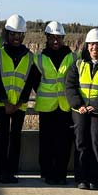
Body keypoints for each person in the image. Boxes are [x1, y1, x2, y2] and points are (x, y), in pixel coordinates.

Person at [64, 28, 98, 190]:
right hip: (80, 111)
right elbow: (70, 85)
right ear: (87, 46)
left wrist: (94, 105)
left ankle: (96, 178)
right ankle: (81, 178)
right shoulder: (78, 64)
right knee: (81, 142)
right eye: (91, 45)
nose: (94, 48)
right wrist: (79, 105)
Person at [0, 14, 36, 183]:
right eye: (13, 34)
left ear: (23, 35)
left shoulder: (30, 57)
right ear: (7, 34)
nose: (16, 38)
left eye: (19, 34)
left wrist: (20, 102)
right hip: (2, 104)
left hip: (20, 105)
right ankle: (2, 170)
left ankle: (12, 171)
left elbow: (30, 81)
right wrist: (5, 101)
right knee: (3, 136)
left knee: (16, 136)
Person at [31, 21, 74, 185]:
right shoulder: (39, 58)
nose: (55, 41)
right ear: (47, 38)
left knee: (63, 142)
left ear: (63, 38)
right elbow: (35, 80)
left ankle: (61, 173)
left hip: (64, 106)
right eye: (52, 38)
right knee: (47, 141)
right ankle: (48, 173)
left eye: (59, 38)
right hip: (47, 106)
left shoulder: (72, 57)